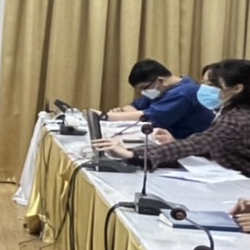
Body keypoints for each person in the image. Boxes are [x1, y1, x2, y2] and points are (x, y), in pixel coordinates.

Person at [95, 59, 250, 176]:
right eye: (204, 83)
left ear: (237, 88)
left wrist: (133, 154)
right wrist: (175, 142)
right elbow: (213, 145)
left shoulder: (236, 119)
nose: (203, 89)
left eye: (213, 85)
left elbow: (200, 143)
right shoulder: (228, 110)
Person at [105, 58, 214, 139]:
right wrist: (122, 113)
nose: (143, 92)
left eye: (144, 88)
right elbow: (135, 107)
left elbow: (149, 117)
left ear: (160, 80)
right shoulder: (161, 90)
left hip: (184, 145)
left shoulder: (184, 93)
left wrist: (106, 116)